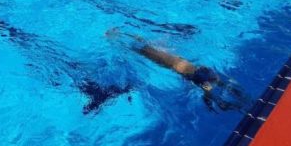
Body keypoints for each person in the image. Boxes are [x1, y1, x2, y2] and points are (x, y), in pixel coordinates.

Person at [106, 28, 248, 111]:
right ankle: (237, 97)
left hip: (186, 71)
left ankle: (224, 102)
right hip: (194, 70)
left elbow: (137, 44)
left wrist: (119, 38)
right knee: (216, 84)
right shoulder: (153, 49)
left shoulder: (148, 52)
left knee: (210, 92)